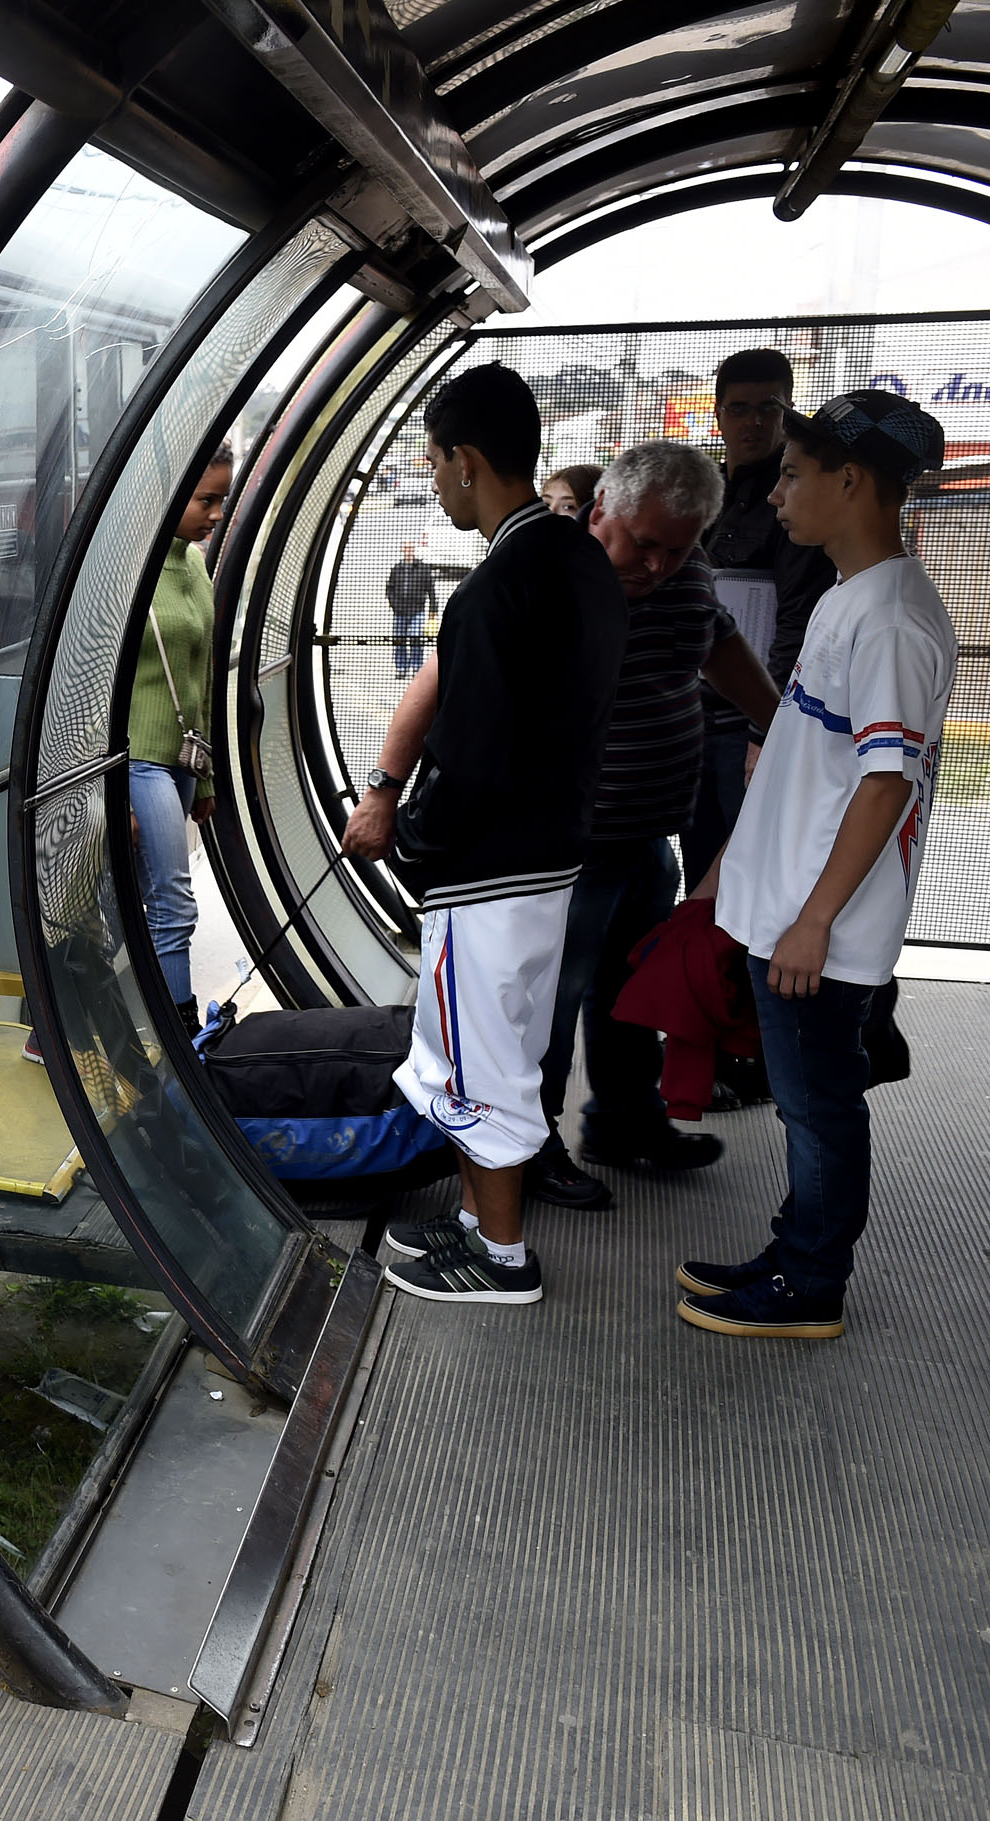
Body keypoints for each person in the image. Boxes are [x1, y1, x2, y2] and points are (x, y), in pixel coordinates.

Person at [342, 363, 625, 1306]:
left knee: (479, 1059)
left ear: (466, 461)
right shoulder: (580, 559)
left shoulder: (496, 589)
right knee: (501, 1036)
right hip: (551, 857)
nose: (431, 481)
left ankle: (501, 1257)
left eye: (432, 463)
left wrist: (412, 837)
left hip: (490, 874)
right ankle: (472, 1220)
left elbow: (468, 754)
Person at [681, 390, 952, 1341]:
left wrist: (811, 919)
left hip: (819, 928)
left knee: (817, 1108)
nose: (778, 493)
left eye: (795, 475)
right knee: (807, 1103)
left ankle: (811, 1288)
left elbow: (886, 786)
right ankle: (795, 1250)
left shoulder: (891, 623)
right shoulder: (852, 596)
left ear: (851, 481)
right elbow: (811, 764)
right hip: (790, 904)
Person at [523, 443, 781, 1210]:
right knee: (552, 1003)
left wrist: (782, 727)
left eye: (681, 547)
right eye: (645, 544)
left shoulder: (687, 578)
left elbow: (722, 647)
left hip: (646, 839)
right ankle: (525, 1149)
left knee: (630, 993)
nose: (660, 565)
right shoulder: (551, 579)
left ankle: (623, 1122)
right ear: (601, 506)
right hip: (572, 845)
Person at [689, 349, 837, 889]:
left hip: (746, 724)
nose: (753, 421)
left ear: (788, 410)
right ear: (719, 414)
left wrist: (764, 729)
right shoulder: (701, 490)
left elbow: (797, 621)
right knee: (700, 869)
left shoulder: (793, 499)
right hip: (694, 718)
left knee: (751, 876)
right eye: (739, 408)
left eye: (768, 407)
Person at [124, 443, 231, 1022]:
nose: (216, 514)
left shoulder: (193, 564)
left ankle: (69, 1014)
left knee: (139, 901)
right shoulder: (130, 566)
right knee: (173, 899)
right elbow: (94, 675)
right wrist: (108, 785)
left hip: (184, 760)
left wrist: (208, 777)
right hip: (137, 760)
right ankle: (181, 1031)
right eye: (204, 499)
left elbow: (202, 675)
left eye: (222, 499)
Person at [385, 539, 436, 678]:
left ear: (413, 549)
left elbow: (431, 589)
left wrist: (433, 610)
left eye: (410, 547)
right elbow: (390, 589)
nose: (408, 550)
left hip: (417, 611)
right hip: (400, 612)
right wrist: (394, 605)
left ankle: (416, 667)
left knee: (415, 638)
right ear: (403, 550)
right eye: (405, 548)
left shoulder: (423, 568)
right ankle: (401, 668)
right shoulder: (397, 569)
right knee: (399, 640)